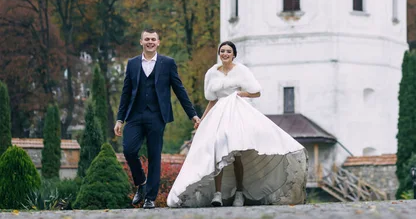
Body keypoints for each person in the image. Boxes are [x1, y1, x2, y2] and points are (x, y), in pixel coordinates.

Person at [167, 41, 307, 208]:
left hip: (236, 112)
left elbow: (256, 92)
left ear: (233, 54)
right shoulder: (212, 73)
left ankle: (239, 193)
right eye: (222, 51)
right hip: (218, 114)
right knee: (217, 150)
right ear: (219, 54)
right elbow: (212, 100)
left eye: (228, 51)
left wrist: (239, 94)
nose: (225, 54)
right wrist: (202, 121)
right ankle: (217, 193)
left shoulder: (241, 70)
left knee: (236, 153)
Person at [114, 29, 201, 209]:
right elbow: (125, 93)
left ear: (158, 42)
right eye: (147, 39)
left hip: (157, 116)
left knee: (154, 156)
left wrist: (192, 114)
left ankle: (150, 198)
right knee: (129, 150)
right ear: (141, 42)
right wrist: (120, 119)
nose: (150, 42)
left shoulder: (167, 63)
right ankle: (141, 182)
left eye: (153, 39)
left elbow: (179, 89)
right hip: (135, 115)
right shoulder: (132, 64)